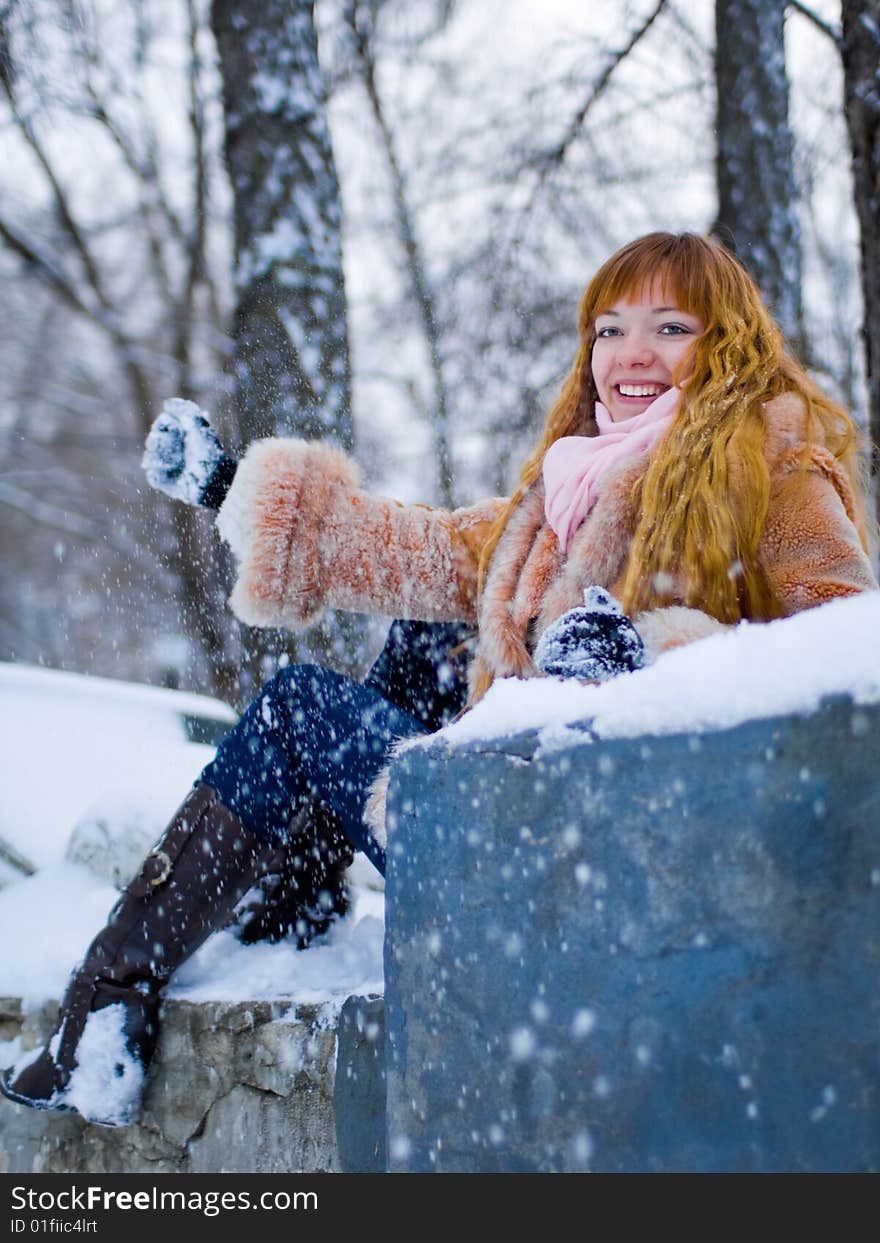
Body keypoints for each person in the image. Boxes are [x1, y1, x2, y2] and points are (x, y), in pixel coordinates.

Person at [3, 231, 876, 1126]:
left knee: (299, 705)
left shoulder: (774, 467)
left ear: (726, 339)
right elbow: (418, 548)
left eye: (670, 326)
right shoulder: (568, 496)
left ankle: (106, 998)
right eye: (609, 331)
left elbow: (840, 651)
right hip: (527, 828)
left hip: (619, 863)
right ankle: (283, 915)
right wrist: (233, 488)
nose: (631, 355)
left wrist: (649, 665)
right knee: (431, 632)